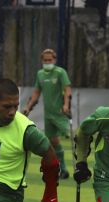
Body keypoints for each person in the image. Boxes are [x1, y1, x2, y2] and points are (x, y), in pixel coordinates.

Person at [22, 49, 72, 179]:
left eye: (50, 60)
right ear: (42, 61)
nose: (48, 62)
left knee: (71, 136)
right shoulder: (40, 74)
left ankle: (80, 164)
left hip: (60, 113)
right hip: (48, 115)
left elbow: (67, 89)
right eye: (45, 60)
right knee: (53, 142)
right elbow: (36, 93)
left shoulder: (60, 73)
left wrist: (66, 105)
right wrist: (28, 107)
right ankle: (63, 170)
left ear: (54, 60)